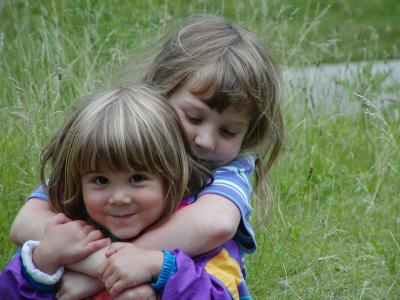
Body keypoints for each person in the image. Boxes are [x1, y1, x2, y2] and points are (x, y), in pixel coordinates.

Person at [9, 14, 284, 298]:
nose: (204, 141)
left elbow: (215, 224)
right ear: (160, 92)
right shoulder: (125, 139)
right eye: (193, 116)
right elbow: (25, 224)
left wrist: (105, 273)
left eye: (228, 131)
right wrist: (103, 267)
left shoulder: (231, 166)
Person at [0, 85, 219, 299]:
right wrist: (43, 262)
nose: (118, 199)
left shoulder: (191, 236)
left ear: (172, 176)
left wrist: (162, 268)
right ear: (78, 183)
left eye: (137, 178)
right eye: (101, 180)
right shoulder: (67, 232)